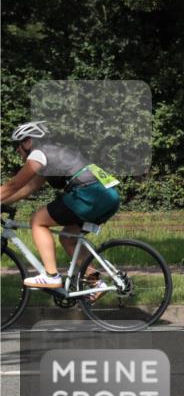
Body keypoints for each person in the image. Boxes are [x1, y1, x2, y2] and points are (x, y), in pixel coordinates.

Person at [0, 121, 121, 288]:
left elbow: (14, 185)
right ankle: (96, 283)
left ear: (28, 141)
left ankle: (51, 275)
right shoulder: (55, 153)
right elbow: (29, 187)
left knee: (37, 221)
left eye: (17, 145)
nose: (17, 150)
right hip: (108, 195)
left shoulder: (38, 154)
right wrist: (4, 202)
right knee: (67, 238)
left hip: (88, 194)